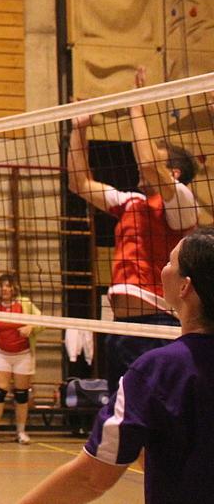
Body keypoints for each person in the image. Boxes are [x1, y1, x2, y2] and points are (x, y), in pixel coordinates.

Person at [19, 227, 214, 504]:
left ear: (185, 287)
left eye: (169, 262)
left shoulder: (155, 372)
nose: (163, 268)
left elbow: (91, 478)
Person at [67, 66, 198, 392]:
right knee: (122, 413)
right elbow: (79, 183)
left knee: (154, 412)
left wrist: (136, 106)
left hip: (156, 326)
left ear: (174, 173)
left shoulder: (182, 202)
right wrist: (79, 130)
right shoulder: (131, 202)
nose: (142, 160)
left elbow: (150, 165)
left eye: (153, 155)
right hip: (121, 328)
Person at [0, 273, 44, 445]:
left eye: (8, 286)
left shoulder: (25, 303)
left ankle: (21, 432)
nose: (5, 289)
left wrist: (31, 327)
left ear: (14, 288)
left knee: (21, 394)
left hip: (23, 354)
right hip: (1, 353)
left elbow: (43, 320)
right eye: (2, 285)